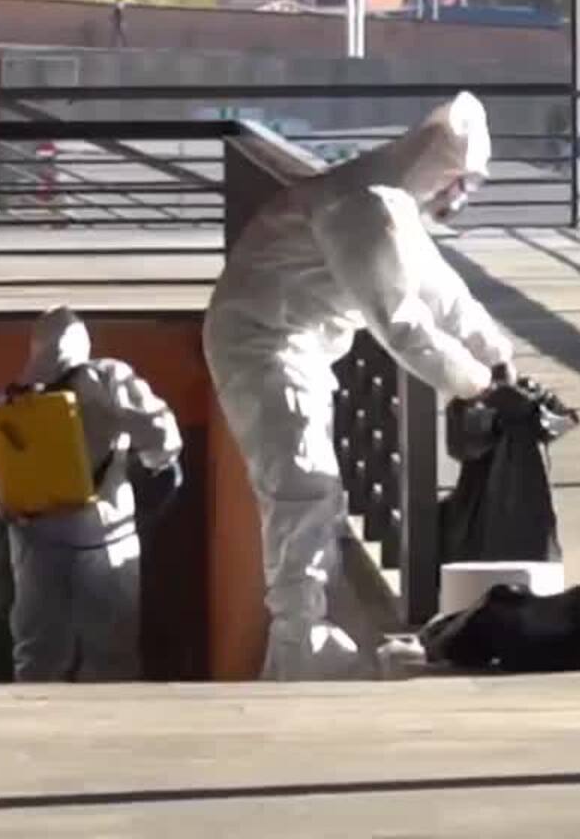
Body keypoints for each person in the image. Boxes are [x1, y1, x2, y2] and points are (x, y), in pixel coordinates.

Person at [203, 92, 517, 681]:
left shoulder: (389, 200)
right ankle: (299, 644)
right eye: (460, 183)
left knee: (312, 490)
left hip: (294, 345)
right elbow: (400, 322)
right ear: (438, 169)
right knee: (301, 487)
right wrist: (476, 382)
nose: (460, 198)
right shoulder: (364, 208)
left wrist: (496, 353)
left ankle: (298, 644)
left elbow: (441, 290)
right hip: (264, 346)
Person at [0, 307, 182, 683]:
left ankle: (36, 732)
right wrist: (151, 459)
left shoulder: (9, 401)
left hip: (35, 544)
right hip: (106, 537)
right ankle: (109, 733)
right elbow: (162, 435)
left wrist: (23, 512)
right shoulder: (107, 377)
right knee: (112, 653)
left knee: (37, 654)